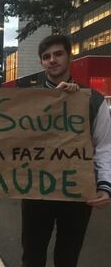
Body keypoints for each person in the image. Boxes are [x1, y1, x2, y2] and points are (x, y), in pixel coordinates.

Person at [21, 34, 111, 267]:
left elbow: (104, 146)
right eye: (46, 56)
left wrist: (105, 186)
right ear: (41, 63)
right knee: (32, 255)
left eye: (58, 54)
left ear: (69, 57)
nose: (52, 60)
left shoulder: (93, 100)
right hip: (36, 191)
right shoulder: (27, 101)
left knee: (68, 257)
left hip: (77, 192)